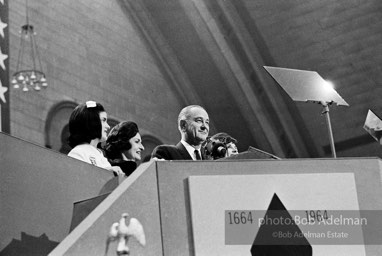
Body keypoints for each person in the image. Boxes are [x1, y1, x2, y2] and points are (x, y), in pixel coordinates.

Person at [67, 101, 124, 176]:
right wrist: (104, 172)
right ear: (92, 122)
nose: (108, 126)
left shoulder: (100, 155)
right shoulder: (78, 153)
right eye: (103, 120)